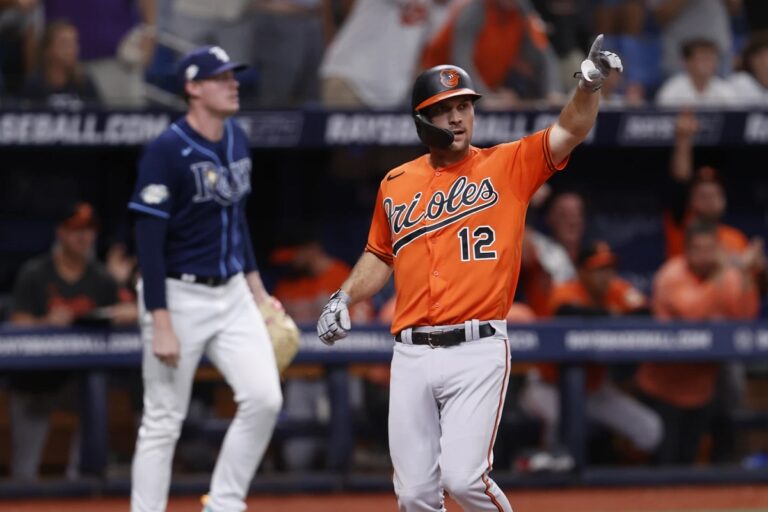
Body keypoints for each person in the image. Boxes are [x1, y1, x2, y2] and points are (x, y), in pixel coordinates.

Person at [317, 35, 622, 511]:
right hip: (411, 353)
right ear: (423, 120)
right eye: (444, 109)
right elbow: (379, 254)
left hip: (477, 349)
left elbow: (570, 130)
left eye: (464, 106)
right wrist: (343, 296)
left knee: (464, 480)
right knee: (414, 494)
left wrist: (588, 85)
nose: (458, 117)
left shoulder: (507, 165)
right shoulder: (396, 183)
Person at [128, 46, 283, 512]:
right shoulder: (166, 150)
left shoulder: (237, 136)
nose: (232, 84)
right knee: (163, 420)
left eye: (233, 76)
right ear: (192, 88)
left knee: (264, 399)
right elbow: (147, 242)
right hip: (176, 293)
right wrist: (160, 319)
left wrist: (257, 290)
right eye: (219, 78)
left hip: (232, 290)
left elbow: (237, 220)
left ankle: (224, 503)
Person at [8, 201, 126, 481]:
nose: (83, 237)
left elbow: (126, 308)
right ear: (61, 233)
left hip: (78, 383)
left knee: (97, 389)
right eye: (76, 230)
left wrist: (123, 297)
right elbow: (16, 324)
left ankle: (86, 483)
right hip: (35, 382)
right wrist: (45, 323)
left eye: (89, 230)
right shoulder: (35, 272)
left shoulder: (101, 277)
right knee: (24, 473)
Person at [519, 241, 662, 458]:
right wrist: (612, 316)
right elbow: (566, 312)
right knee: (561, 422)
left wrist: (604, 316)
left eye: (609, 268)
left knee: (649, 428)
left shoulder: (616, 288)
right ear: (581, 272)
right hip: (549, 387)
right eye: (598, 270)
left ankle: (629, 483)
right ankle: (549, 474)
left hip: (595, 390)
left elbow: (645, 314)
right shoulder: (567, 289)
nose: (606, 276)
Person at [635, 221, 759, 465]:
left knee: (689, 464)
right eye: (698, 249)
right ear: (686, 249)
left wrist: (745, 276)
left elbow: (745, 315)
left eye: (710, 249)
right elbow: (691, 313)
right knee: (665, 466)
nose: (705, 256)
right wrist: (724, 275)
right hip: (663, 390)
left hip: (701, 390)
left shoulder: (726, 276)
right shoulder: (671, 275)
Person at [420, 0, 565, 108]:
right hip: (439, 88)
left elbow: (544, 53)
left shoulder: (523, 11)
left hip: (480, 90)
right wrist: (484, 96)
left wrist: (553, 91)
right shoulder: (474, 9)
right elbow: (460, 61)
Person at [22, 19, 100, 109]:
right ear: (48, 50)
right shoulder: (34, 85)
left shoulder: (84, 83)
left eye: (75, 42)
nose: (72, 49)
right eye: (65, 43)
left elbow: (100, 116)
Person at [655, 38, 735, 107]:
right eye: (703, 59)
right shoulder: (672, 89)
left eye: (712, 59)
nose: (708, 64)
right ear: (686, 62)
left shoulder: (724, 89)